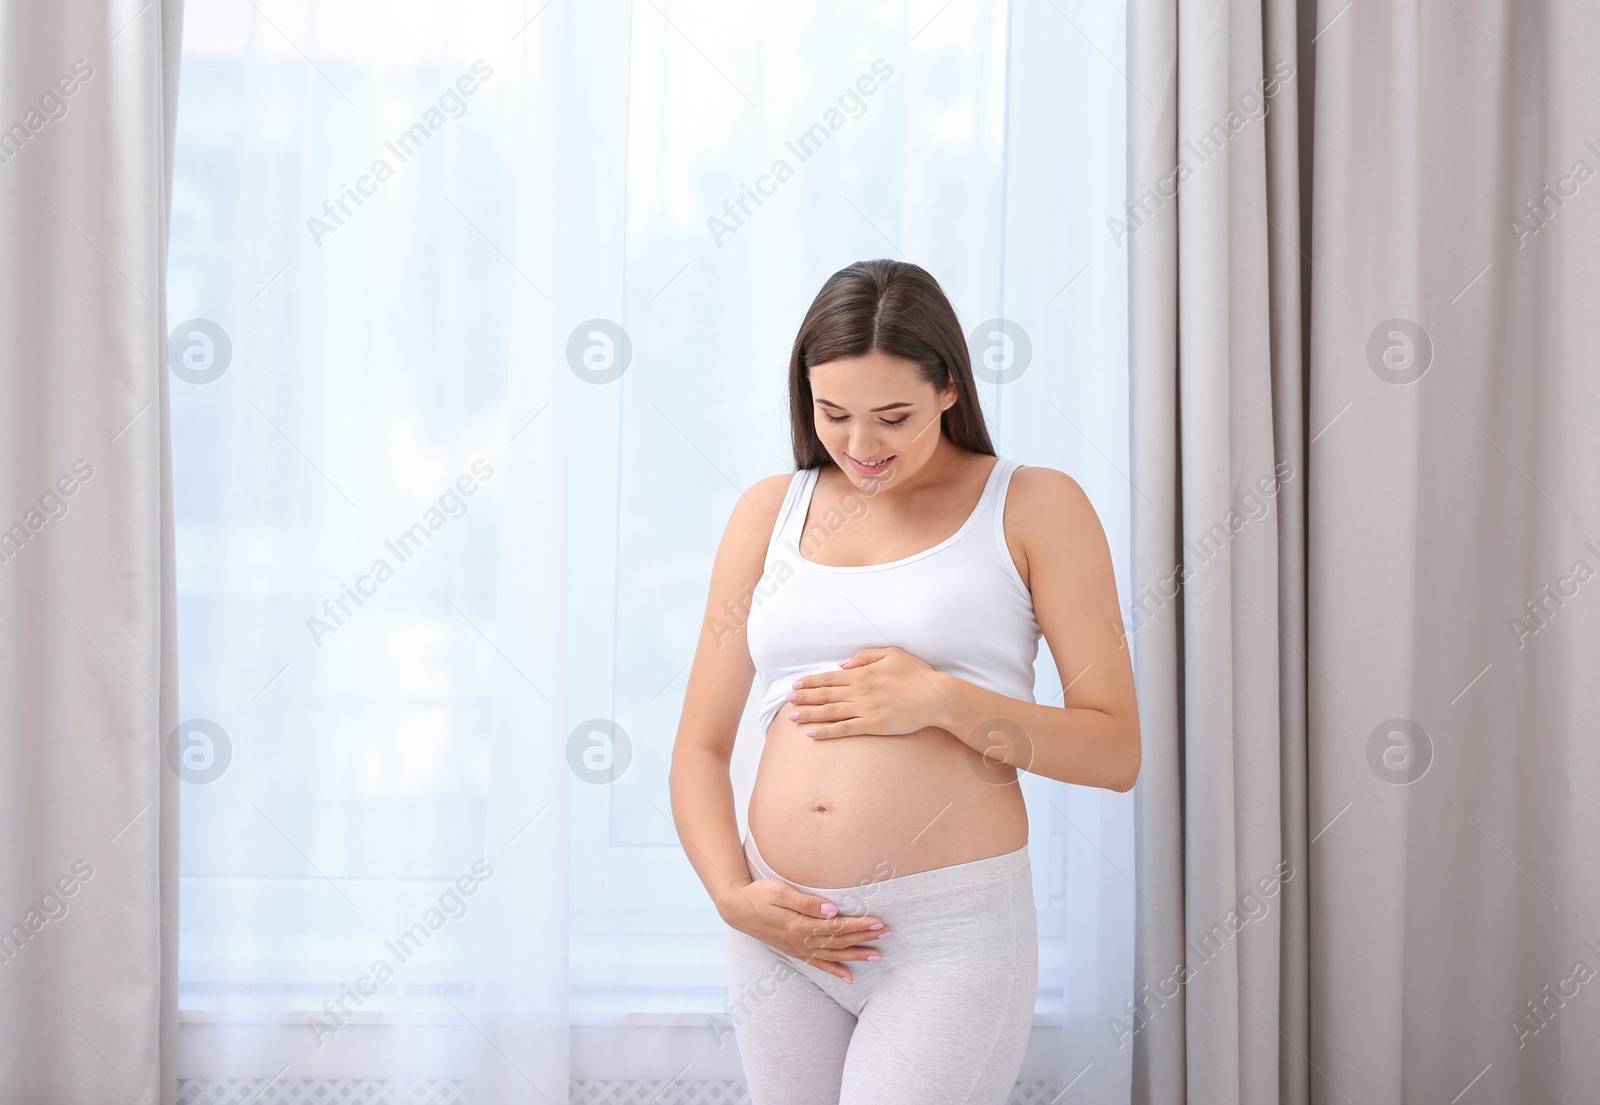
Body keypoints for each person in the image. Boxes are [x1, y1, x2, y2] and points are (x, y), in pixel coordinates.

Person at [668, 258, 1141, 1104]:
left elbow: (1115, 749)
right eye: (833, 413)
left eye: (893, 416)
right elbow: (700, 747)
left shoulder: (1033, 506)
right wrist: (733, 895)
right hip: (783, 926)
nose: (860, 446)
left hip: (950, 933)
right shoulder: (765, 513)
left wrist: (944, 701)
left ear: (951, 388)